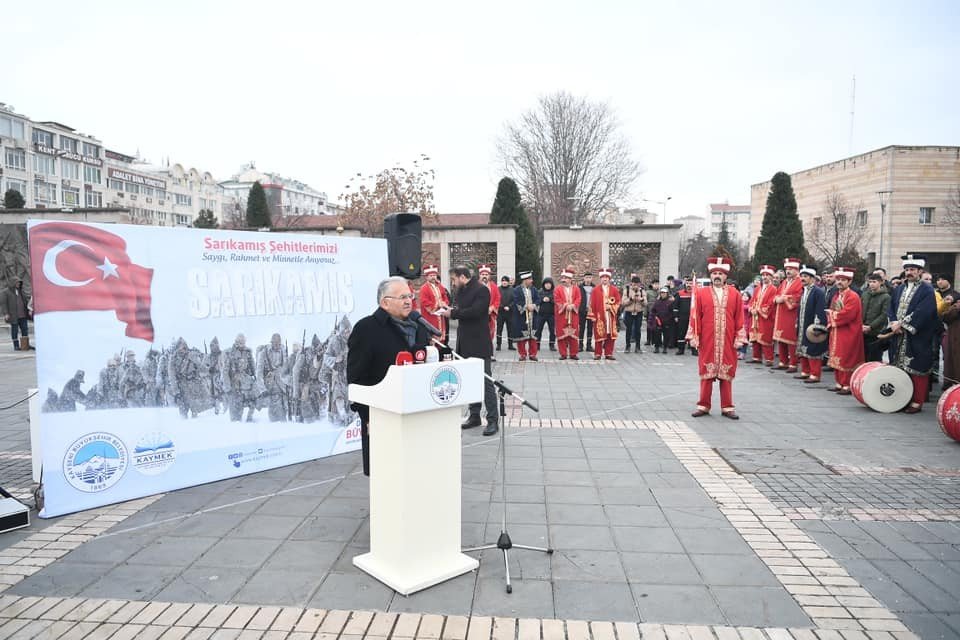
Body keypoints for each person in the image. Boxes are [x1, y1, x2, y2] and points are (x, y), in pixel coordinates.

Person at [348, 276, 431, 475]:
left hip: (417, 411)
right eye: (402, 297)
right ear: (385, 302)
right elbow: (356, 377)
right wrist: (367, 415)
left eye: (410, 296)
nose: (408, 301)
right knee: (386, 473)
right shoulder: (367, 329)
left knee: (415, 469)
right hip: (382, 415)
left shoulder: (418, 327)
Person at [437, 266, 498, 436]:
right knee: (470, 381)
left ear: (463, 277)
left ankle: (493, 419)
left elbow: (476, 312)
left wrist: (453, 313)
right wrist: (449, 310)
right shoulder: (460, 291)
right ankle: (474, 415)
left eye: (454, 279)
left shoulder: (481, 290)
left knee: (486, 381)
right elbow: (459, 309)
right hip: (464, 342)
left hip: (479, 342)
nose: (453, 283)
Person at [688, 257, 746, 419]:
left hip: (728, 340)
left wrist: (739, 337)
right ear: (710, 276)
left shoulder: (735, 294)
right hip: (708, 339)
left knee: (726, 373)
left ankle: (727, 407)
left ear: (726, 276)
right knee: (706, 372)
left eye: (720, 273)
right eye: (714, 273)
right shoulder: (701, 293)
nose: (717, 276)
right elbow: (695, 317)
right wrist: (694, 336)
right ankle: (703, 405)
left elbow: (739, 317)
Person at [886, 255, 938, 413]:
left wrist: (904, 325)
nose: (909, 272)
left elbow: (924, 312)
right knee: (900, 369)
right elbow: (891, 307)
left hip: (918, 336)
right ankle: (902, 398)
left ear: (920, 271)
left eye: (912, 270)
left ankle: (917, 401)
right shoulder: (899, 288)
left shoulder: (927, 289)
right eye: (907, 269)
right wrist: (894, 323)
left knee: (917, 368)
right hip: (899, 335)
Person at [826, 267, 865, 394]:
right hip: (837, 331)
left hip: (849, 332)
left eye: (843, 280)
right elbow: (832, 310)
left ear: (849, 282)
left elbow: (848, 314)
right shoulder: (836, 296)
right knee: (837, 356)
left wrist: (832, 315)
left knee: (846, 357)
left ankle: (847, 385)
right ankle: (839, 383)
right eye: (838, 279)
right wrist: (832, 314)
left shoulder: (853, 296)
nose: (839, 282)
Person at [795, 266, 827, 383]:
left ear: (812, 279)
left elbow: (820, 309)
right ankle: (805, 371)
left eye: (805, 277)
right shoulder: (804, 290)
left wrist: (817, 326)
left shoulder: (818, 292)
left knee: (813, 349)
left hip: (812, 325)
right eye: (801, 276)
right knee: (803, 347)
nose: (802, 279)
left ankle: (815, 374)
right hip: (803, 323)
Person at [773, 258, 803, 372]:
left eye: (790, 269)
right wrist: (776, 299)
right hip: (781, 313)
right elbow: (777, 294)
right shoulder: (784, 282)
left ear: (796, 270)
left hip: (791, 315)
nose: (788, 271)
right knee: (781, 339)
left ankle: (793, 364)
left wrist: (784, 298)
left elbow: (798, 296)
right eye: (786, 269)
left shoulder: (800, 282)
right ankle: (783, 361)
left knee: (791, 340)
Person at [588, 268, 621, 360]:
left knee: (610, 335)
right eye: (603, 277)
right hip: (599, 316)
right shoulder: (595, 290)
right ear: (600, 278)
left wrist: (611, 307)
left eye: (606, 277)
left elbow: (618, 302)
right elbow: (592, 303)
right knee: (599, 334)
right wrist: (592, 315)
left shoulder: (614, 290)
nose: (605, 279)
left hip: (610, 316)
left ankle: (608, 353)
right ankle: (597, 353)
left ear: (609, 279)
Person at [749, 265, 778, 366]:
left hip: (766, 317)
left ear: (771, 277)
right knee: (755, 337)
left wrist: (759, 310)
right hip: (755, 317)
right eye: (763, 275)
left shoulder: (773, 289)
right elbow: (752, 300)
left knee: (765, 337)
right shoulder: (757, 288)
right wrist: (751, 308)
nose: (765, 277)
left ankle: (769, 359)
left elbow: (771, 303)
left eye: (767, 275)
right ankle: (756, 357)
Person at [510, 271, 541, 361]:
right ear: (525, 280)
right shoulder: (517, 290)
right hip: (521, 317)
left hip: (533, 316)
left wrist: (534, 305)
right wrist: (526, 306)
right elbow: (516, 301)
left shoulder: (534, 289)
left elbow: (538, 299)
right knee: (521, 337)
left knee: (533, 337)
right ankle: (522, 354)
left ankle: (533, 354)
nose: (532, 281)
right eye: (530, 279)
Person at [861, 273, 891, 363]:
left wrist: (871, 326)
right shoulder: (865, 294)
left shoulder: (886, 297)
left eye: (874, 282)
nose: (872, 284)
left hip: (876, 332)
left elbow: (884, 315)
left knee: (875, 357)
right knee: (864, 356)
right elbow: (860, 310)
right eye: (870, 282)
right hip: (863, 329)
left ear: (881, 282)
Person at [554, 267, 581, 360]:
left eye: (566, 278)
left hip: (573, 314)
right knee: (562, 334)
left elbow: (578, 298)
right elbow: (557, 299)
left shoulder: (576, 289)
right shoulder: (558, 289)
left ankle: (573, 353)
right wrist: (565, 305)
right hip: (562, 315)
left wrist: (573, 305)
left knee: (573, 333)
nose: (564, 280)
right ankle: (563, 353)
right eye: (563, 278)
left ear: (570, 279)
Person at [418, 264, 450, 344]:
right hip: (430, 317)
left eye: (434, 275)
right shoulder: (424, 288)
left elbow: (445, 296)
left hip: (440, 316)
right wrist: (438, 305)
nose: (433, 277)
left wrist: (444, 303)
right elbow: (424, 302)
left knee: (441, 340)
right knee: (432, 339)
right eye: (431, 275)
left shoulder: (440, 286)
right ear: (427, 277)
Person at [1, 277, 31, 350]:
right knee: (15, 330)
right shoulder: (6, 292)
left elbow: (26, 301)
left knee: (25, 329)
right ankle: (16, 345)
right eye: (17, 282)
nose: (18, 284)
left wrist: (29, 310)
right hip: (13, 315)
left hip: (23, 314)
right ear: (13, 283)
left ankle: (25, 345)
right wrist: (6, 313)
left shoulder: (21, 291)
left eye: (19, 283)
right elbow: (3, 304)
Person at [478, 264, 500, 359]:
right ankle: (479, 353)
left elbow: (498, 298)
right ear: (479, 275)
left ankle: (489, 354)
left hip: (490, 315)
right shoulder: (475, 286)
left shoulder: (494, 286)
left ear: (489, 275)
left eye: (486, 274)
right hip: (478, 315)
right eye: (482, 274)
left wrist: (492, 307)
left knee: (490, 334)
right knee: (479, 334)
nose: (484, 276)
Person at [622, 275, 646, 353]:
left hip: (639, 313)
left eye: (637, 284)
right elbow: (623, 303)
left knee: (638, 330)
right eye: (634, 284)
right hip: (629, 312)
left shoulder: (642, 291)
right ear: (631, 283)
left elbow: (646, 303)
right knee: (628, 330)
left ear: (639, 284)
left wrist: (641, 300)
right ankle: (627, 346)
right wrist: (631, 299)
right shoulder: (627, 290)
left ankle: (638, 347)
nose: (635, 286)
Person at [535, 276, 557, 351]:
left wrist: (550, 299)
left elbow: (557, 301)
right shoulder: (540, 291)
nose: (548, 285)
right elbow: (536, 301)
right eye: (546, 284)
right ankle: (537, 344)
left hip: (551, 314)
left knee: (552, 330)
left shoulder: (555, 292)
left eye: (549, 284)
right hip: (541, 314)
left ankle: (552, 344)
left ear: (552, 285)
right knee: (538, 330)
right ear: (544, 284)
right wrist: (542, 299)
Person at [672, 278, 693, 355]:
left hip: (693, 318)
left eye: (691, 283)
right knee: (681, 333)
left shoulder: (696, 294)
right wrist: (675, 316)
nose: (689, 285)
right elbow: (675, 306)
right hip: (682, 317)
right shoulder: (680, 293)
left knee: (693, 333)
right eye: (687, 283)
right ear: (685, 284)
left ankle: (694, 349)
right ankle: (681, 349)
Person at [650, 287, 674, 354]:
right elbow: (653, 310)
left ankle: (665, 348)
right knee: (657, 335)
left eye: (664, 293)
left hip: (667, 321)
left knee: (666, 335)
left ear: (667, 294)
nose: (663, 294)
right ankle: (656, 347)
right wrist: (654, 317)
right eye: (662, 293)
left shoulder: (670, 302)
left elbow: (672, 312)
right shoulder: (657, 302)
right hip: (658, 321)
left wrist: (669, 318)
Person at [496, 275, 514, 351]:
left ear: (508, 282)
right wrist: (502, 307)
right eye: (503, 281)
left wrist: (509, 307)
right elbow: (496, 300)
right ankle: (498, 345)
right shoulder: (498, 289)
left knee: (510, 329)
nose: (504, 282)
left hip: (510, 313)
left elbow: (514, 300)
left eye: (506, 281)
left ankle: (510, 345)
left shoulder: (512, 289)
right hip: (500, 312)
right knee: (499, 329)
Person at [578, 272, 595, 352]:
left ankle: (589, 345)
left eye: (590, 277)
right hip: (582, 311)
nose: (588, 279)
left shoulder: (595, 288)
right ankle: (580, 345)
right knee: (581, 328)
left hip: (591, 311)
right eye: (587, 277)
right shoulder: (579, 288)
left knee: (590, 328)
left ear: (592, 278)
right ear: (584, 278)